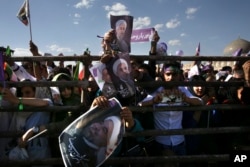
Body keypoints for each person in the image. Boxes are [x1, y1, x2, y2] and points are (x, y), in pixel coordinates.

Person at [138, 61, 203, 167]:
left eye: (174, 74)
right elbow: (140, 105)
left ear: (179, 76)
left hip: (180, 142)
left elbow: (200, 102)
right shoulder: (157, 90)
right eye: (168, 74)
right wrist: (154, 101)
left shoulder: (182, 90)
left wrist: (185, 98)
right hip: (161, 143)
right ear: (163, 75)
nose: (171, 77)